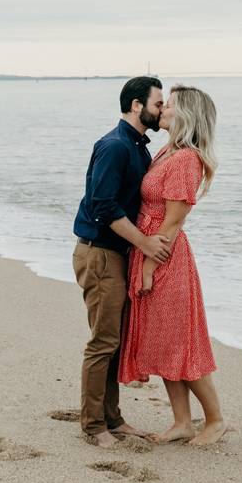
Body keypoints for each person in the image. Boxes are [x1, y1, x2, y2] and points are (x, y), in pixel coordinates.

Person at [118, 85, 227, 445]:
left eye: (171, 105)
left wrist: (148, 267)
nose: (162, 107)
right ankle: (182, 421)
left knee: (180, 343)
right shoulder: (168, 150)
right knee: (165, 343)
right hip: (150, 250)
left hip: (165, 257)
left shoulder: (185, 160)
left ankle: (214, 420)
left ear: (185, 115)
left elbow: (172, 222)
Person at [72, 76, 172, 448]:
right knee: (103, 342)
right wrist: (145, 243)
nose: (161, 110)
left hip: (117, 255)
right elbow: (102, 207)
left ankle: (112, 418)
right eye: (158, 103)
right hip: (99, 254)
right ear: (136, 105)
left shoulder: (137, 147)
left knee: (114, 341)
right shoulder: (115, 146)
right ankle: (93, 425)